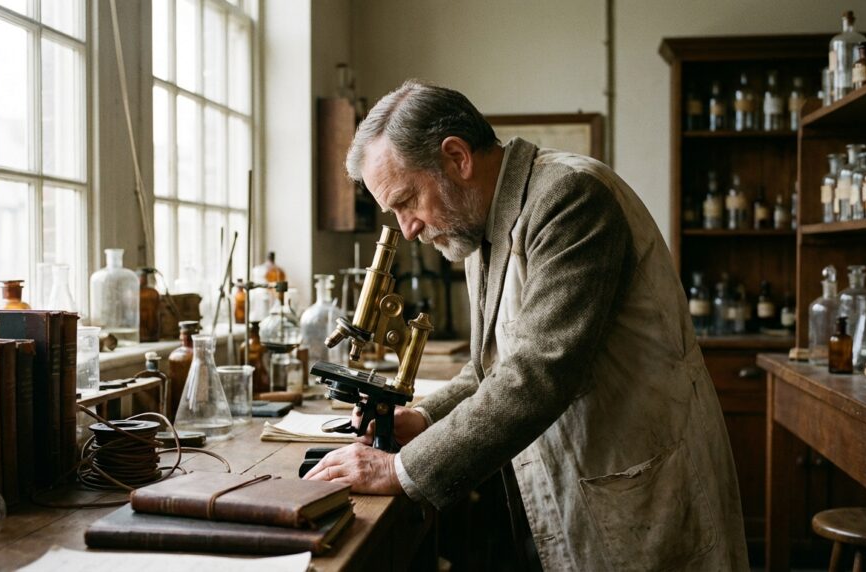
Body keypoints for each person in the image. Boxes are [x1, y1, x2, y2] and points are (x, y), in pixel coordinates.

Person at [304, 80, 748, 570]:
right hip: (579, 482)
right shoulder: (477, 227)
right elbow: (490, 369)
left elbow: (540, 370)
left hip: (641, 484)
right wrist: (424, 419)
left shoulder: (571, 198)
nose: (407, 228)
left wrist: (403, 469)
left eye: (407, 201)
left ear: (457, 158)